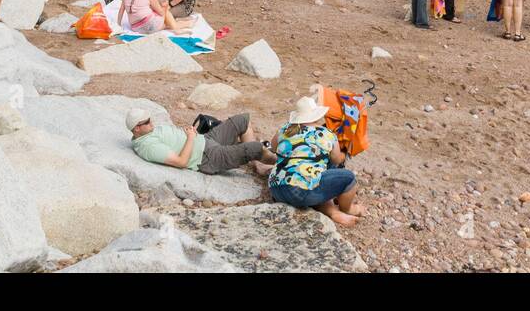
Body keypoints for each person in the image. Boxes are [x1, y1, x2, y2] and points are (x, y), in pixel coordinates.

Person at [269, 96, 361, 227]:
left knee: (314, 175)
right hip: (300, 193)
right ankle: (348, 209)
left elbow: (273, 148)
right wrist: (345, 153)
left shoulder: (284, 130)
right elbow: (336, 159)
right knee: (348, 177)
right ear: (316, 116)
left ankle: (332, 212)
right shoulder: (326, 133)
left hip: (276, 189)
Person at [126, 108, 276, 177]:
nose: (151, 122)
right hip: (206, 157)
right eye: (147, 122)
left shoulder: (147, 132)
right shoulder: (148, 147)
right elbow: (181, 162)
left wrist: (186, 133)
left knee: (243, 119)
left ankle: (257, 165)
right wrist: (190, 138)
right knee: (256, 148)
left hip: (206, 140)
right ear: (137, 128)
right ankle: (283, 162)